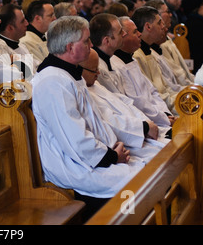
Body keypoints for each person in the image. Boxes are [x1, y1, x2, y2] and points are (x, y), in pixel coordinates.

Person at [32, 15, 144, 220]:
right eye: (86, 41)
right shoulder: (52, 81)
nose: (91, 45)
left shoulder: (68, 73)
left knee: (148, 168)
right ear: (69, 47)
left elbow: (95, 120)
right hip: (73, 165)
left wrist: (114, 146)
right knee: (139, 181)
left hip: (92, 156)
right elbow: (73, 138)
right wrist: (110, 156)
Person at [82, 49, 170, 155]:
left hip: (143, 129)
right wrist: (144, 128)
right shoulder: (83, 90)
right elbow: (109, 121)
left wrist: (147, 122)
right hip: (129, 140)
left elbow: (127, 103)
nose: (98, 73)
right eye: (94, 70)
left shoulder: (95, 84)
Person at [111, 17, 175, 128]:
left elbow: (153, 92)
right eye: (135, 31)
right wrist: (163, 118)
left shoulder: (133, 60)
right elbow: (137, 102)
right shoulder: (117, 66)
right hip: (150, 122)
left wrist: (166, 113)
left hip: (160, 117)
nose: (140, 34)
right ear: (123, 36)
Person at [132, 6, 180, 113]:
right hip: (162, 110)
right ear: (148, 26)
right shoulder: (136, 56)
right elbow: (152, 96)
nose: (163, 27)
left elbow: (166, 88)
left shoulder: (150, 52)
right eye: (159, 23)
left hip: (169, 104)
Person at [89, 13, 127, 94]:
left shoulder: (110, 58)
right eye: (120, 32)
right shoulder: (99, 68)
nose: (124, 34)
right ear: (107, 40)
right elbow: (116, 98)